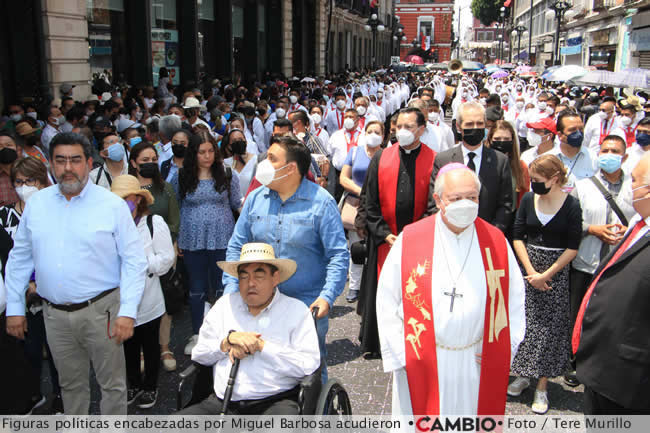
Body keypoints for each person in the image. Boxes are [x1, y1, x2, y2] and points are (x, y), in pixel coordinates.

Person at [4, 132, 148, 415]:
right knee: (71, 386)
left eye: (75, 160)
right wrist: (14, 308)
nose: (68, 167)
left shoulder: (112, 206)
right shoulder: (37, 204)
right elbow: (19, 258)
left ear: (89, 163)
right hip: (54, 316)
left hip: (103, 313)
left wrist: (128, 312)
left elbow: (134, 261)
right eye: (60, 160)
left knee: (112, 386)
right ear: (52, 165)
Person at [377, 163, 525, 418]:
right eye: (456, 198)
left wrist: (503, 350)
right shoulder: (411, 239)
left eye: (472, 197)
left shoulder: (495, 241)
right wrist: (403, 353)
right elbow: (387, 298)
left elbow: (513, 300)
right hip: (421, 357)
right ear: (438, 199)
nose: (465, 204)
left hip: (476, 359)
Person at [223, 135, 349, 384]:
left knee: (309, 371)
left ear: (291, 168)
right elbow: (236, 245)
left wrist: (326, 297)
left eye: (271, 159)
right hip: (258, 302)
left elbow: (337, 254)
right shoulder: (256, 199)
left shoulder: (321, 203)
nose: (263, 163)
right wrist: (231, 290)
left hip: (305, 305)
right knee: (262, 368)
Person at [179, 243, 320, 415]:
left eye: (259, 276)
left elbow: (308, 366)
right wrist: (226, 344)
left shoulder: (296, 312)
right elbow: (199, 354)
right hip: (222, 403)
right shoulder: (224, 305)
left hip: (275, 403)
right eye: (244, 277)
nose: (250, 283)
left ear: (275, 278)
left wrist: (261, 346)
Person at [572, 152, 650, 415]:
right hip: (605, 368)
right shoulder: (640, 226)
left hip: (632, 383)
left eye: (635, 180)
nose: (630, 185)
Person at [360, 108, 436, 358]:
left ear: (422, 130)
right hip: (385, 240)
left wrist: (412, 236)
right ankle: (381, 341)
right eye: (398, 127)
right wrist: (384, 233)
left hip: (419, 242)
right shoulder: (381, 158)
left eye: (409, 127)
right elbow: (369, 202)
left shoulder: (435, 159)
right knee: (384, 291)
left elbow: (434, 205)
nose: (402, 132)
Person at [509, 154, 582, 414]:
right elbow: (517, 236)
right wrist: (530, 271)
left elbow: (573, 246)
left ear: (554, 179)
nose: (534, 185)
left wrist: (546, 274)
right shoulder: (529, 199)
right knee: (524, 322)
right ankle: (521, 374)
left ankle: (541, 386)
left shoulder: (571, 205)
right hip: (528, 266)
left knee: (550, 329)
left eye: (538, 180)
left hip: (556, 272)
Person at [566, 134, 635, 387]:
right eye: (605, 150)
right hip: (586, 262)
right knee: (580, 315)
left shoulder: (634, 188)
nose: (609, 154)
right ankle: (576, 363)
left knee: (613, 318)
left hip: (620, 265)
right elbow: (571, 222)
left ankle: (606, 366)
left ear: (624, 156)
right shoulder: (583, 186)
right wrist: (593, 230)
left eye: (615, 151)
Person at [0, 157, 62, 414]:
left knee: (58, 352)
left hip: (52, 295)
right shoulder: (4, 216)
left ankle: (61, 396)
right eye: (19, 181)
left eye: (31, 180)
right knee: (27, 352)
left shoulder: (57, 212)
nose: (25, 186)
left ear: (43, 181)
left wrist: (39, 282)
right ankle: (31, 393)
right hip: (18, 298)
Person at [170, 131, 242, 355]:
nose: (207, 156)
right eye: (202, 152)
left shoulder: (227, 174)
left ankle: (224, 332)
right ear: (194, 153)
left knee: (223, 286)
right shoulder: (181, 176)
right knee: (197, 289)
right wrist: (175, 240)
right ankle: (198, 334)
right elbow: (176, 208)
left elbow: (236, 204)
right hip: (192, 239)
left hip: (223, 237)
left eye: (211, 150)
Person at [110, 175, 174, 409]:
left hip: (149, 298)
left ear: (137, 199)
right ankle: (133, 384)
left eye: (126, 199)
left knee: (149, 343)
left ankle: (150, 387)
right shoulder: (111, 227)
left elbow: (167, 259)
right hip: (121, 299)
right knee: (127, 346)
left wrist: (139, 262)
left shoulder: (153, 223)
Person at [428, 101, 513, 233]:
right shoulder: (443, 160)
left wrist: (493, 232)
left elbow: (505, 205)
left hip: (488, 235)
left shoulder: (500, 161)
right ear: (458, 127)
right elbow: (434, 203)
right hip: (450, 233)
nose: (475, 128)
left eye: (479, 124)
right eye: (469, 124)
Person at [339, 121, 383, 303]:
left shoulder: (387, 154)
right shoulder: (355, 152)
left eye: (377, 131)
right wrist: (362, 192)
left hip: (379, 207)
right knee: (356, 248)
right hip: (356, 205)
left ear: (383, 135)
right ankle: (355, 287)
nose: (373, 134)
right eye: (370, 131)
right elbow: (343, 177)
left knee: (378, 248)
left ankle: (376, 286)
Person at [486, 120, 530, 218]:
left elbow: (523, 197)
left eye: (506, 139)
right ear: (490, 140)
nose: (502, 142)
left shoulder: (521, 167)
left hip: (511, 219)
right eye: (497, 138)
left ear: (512, 141)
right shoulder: (482, 162)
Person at [551, 110, 598, 191]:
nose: (578, 133)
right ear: (560, 135)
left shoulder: (594, 158)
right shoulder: (548, 159)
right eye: (572, 130)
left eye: (581, 129)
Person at [221, 128, 257, 198]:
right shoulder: (225, 164)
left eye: (240, 140)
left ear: (246, 141)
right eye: (234, 141)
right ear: (229, 146)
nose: (238, 142)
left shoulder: (256, 161)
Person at [0, 132, 21, 206]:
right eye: (0, 146)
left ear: (18, 149)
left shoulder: (34, 170)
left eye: (9, 145)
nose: (5, 148)